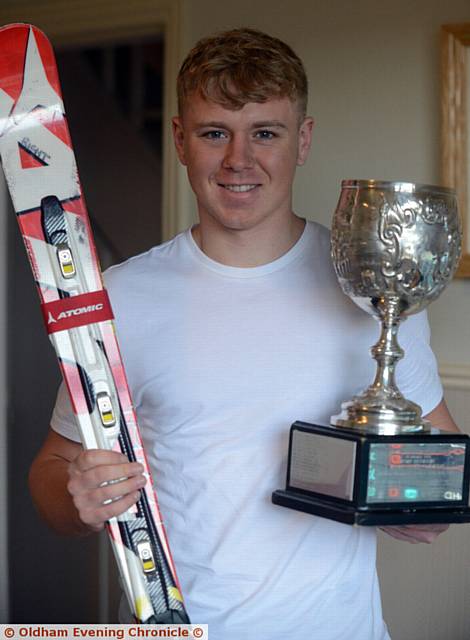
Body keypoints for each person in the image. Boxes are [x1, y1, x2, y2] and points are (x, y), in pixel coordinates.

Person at [29, 28, 458, 639]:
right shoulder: (119, 297)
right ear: (181, 140)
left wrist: (423, 505)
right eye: (214, 133)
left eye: (265, 132)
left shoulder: (371, 281)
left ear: (302, 140)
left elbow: (441, 460)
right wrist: (75, 501)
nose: (239, 160)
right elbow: (52, 470)